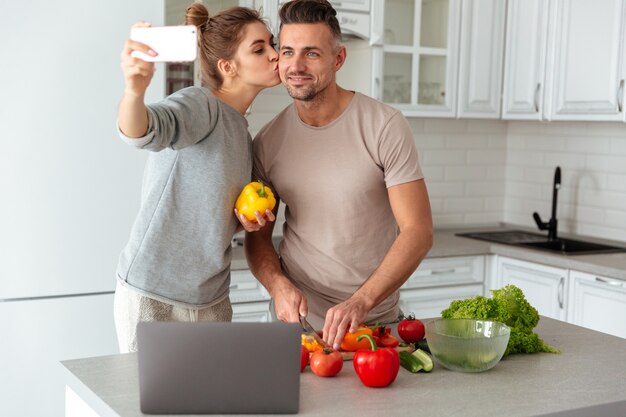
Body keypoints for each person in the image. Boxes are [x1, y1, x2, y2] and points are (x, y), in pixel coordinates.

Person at [243, 0, 433, 350]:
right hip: (296, 325)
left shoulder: (384, 126)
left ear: (338, 59)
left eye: (312, 53)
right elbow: (258, 239)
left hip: (373, 321)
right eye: (287, 52)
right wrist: (278, 286)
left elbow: (418, 231)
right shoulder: (267, 141)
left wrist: (361, 301)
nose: (296, 66)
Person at [114, 3, 278, 353]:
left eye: (272, 44)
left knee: (208, 404)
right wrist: (134, 91)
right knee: (148, 405)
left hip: (212, 299)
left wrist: (245, 222)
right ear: (227, 66)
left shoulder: (244, 137)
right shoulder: (200, 104)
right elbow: (143, 132)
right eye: (260, 48)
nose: (276, 55)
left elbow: (214, 216)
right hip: (156, 294)